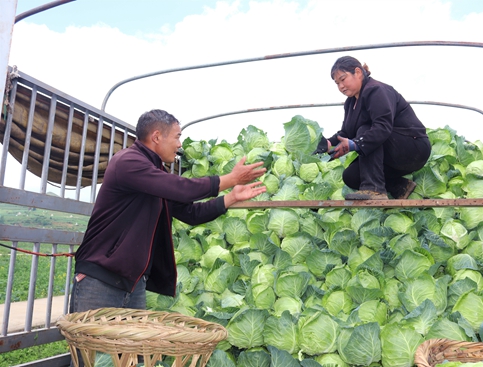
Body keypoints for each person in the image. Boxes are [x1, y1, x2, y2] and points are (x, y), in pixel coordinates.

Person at [69, 109, 266, 364]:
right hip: (101, 281)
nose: (180, 144)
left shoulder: (154, 174)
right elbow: (180, 188)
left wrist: (229, 198)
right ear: (157, 136)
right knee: (92, 360)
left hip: (133, 285)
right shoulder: (127, 162)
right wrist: (228, 179)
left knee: (130, 360)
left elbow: (190, 213)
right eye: (178, 136)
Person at [315, 56, 431, 200]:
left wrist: (354, 144)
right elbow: (346, 132)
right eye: (337, 83)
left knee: (366, 130)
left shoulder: (376, 90)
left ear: (357, 72)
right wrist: (328, 143)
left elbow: (382, 127)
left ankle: (375, 190)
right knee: (351, 176)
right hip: (391, 156)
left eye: (343, 79)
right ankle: (400, 187)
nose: (341, 87)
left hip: (412, 147)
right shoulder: (350, 103)